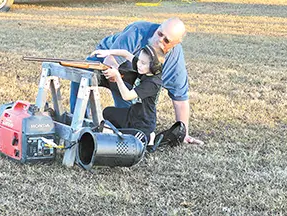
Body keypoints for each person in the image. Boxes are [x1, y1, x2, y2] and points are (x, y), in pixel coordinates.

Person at [70, 17, 203, 145]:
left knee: (129, 120)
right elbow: (112, 60)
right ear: (158, 28)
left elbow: (180, 99)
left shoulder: (172, 65)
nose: (159, 40)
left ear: (175, 44)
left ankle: (121, 132)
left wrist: (183, 133)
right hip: (108, 60)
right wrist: (112, 68)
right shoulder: (137, 31)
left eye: (166, 40)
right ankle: (76, 120)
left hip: (129, 79)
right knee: (81, 76)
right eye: (159, 33)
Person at [92, 45, 164, 145]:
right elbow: (126, 54)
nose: (138, 64)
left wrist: (117, 76)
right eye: (139, 60)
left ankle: (148, 137)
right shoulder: (144, 69)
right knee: (107, 113)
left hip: (143, 124)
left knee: (116, 136)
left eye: (143, 63)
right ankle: (128, 130)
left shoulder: (152, 83)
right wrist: (108, 52)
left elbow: (127, 96)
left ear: (154, 66)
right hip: (132, 115)